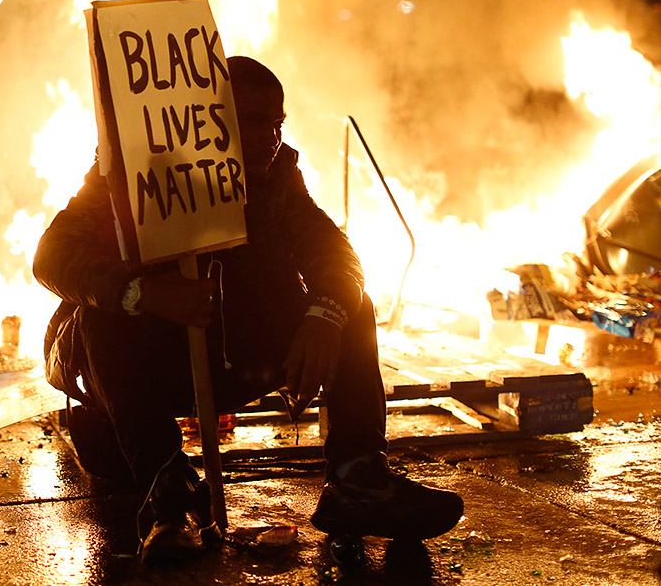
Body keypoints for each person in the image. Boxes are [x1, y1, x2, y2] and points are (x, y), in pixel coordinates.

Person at [32, 55, 464, 563]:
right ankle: (166, 493)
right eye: (254, 121)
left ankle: (357, 478)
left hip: (235, 359)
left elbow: (334, 252)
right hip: (140, 375)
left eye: (278, 122)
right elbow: (52, 254)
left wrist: (325, 315)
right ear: (207, 118)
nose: (271, 137)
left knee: (352, 306)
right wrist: (144, 292)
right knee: (104, 314)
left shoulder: (276, 177)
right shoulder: (132, 171)